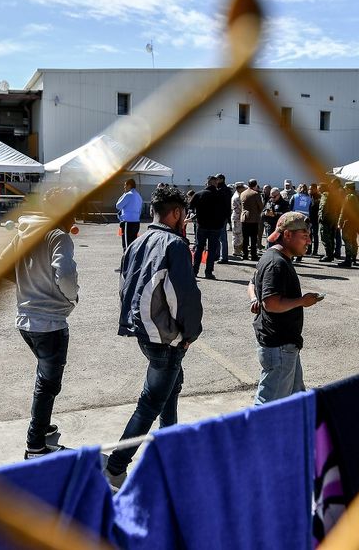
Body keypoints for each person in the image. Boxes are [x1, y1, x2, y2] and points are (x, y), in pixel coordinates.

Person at [105, 185, 203, 491]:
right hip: (166, 337)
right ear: (176, 213)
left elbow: (125, 286)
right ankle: (116, 466)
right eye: (184, 213)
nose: (185, 219)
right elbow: (184, 297)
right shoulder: (174, 244)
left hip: (144, 331)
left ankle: (168, 450)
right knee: (150, 403)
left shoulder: (136, 242)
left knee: (169, 391)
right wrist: (189, 334)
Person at [0, 186, 80, 459]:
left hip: (25, 319)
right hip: (50, 323)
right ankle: (36, 444)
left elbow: (2, 264)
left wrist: (27, 286)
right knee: (48, 383)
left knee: (46, 378)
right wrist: (71, 297)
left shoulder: (25, 232)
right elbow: (65, 274)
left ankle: (42, 427)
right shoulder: (58, 236)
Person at [248, 212, 321, 405]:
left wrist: (254, 297)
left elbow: (252, 282)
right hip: (279, 347)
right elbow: (271, 303)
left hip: (285, 345)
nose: (309, 241)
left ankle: (298, 433)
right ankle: (254, 434)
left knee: (297, 398)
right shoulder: (276, 263)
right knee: (268, 405)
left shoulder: (274, 256)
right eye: (304, 236)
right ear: (287, 235)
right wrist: (302, 301)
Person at [189, 176, 225, 280]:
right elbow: (226, 210)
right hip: (216, 227)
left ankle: (194, 270)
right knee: (212, 250)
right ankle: (208, 272)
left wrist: (195, 216)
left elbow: (190, 208)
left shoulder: (199, 194)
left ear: (207, 183)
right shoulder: (221, 195)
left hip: (202, 226)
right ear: (215, 183)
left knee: (199, 248)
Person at [337, 182, 359, 267]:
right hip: (355, 222)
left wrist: (340, 222)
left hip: (348, 222)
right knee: (353, 240)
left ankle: (348, 260)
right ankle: (353, 258)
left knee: (347, 240)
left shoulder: (349, 197)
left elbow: (344, 211)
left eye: (346, 188)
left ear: (348, 188)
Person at [115, 178, 142, 253]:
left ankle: (126, 263)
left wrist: (124, 194)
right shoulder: (138, 195)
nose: (124, 187)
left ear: (129, 185)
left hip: (128, 223)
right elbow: (140, 209)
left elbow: (118, 206)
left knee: (126, 246)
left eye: (125, 185)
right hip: (136, 222)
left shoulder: (128, 195)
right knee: (133, 244)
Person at [318, 181, 342, 262]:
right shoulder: (332, 194)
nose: (318, 189)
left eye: (319, 187)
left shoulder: (325, 195)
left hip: (326, 220)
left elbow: (323, 207)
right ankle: (330, 254)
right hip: (333, 219)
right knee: (331, 237)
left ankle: (328, 255)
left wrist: (321, 217)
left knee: (325, 237)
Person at [240, 179, 263, 261]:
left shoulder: (242, 193)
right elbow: (261, 206)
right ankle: (253, 255)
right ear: (255, 185)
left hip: (244, 218)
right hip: (253, 218)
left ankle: (244, 254)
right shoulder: (256, 194)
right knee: (253, 238)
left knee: (245, 238)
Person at [216, 174, 231, 264]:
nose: (216, 181)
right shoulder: (222, 189)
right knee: (219, 237)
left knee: (222, 238)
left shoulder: (223, 190)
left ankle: (224, 257)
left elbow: (225, 205)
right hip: (222, 216)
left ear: (221, 179)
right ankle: (220, 255)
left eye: (217, 179)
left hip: (222, 217)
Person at [231, 182, 246, 259]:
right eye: (243, 187)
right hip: (237, 217)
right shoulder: (237, 197)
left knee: (240, 234)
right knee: (237, 234)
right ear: (239, 188)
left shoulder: (239, 195)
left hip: (238, 217)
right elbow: (241, 208)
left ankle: (239, 250)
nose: (244, 189)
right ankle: (236, 251)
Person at [308, 183, 320, 256]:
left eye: (311, 189)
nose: (310, 190)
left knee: (315, 235)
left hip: (315, 219)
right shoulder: (308, 196)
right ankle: (308, 250)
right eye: (309, 189)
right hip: (308, 219)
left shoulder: (319, 197)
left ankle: (315, 251)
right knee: (309, 235)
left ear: (316, 189)